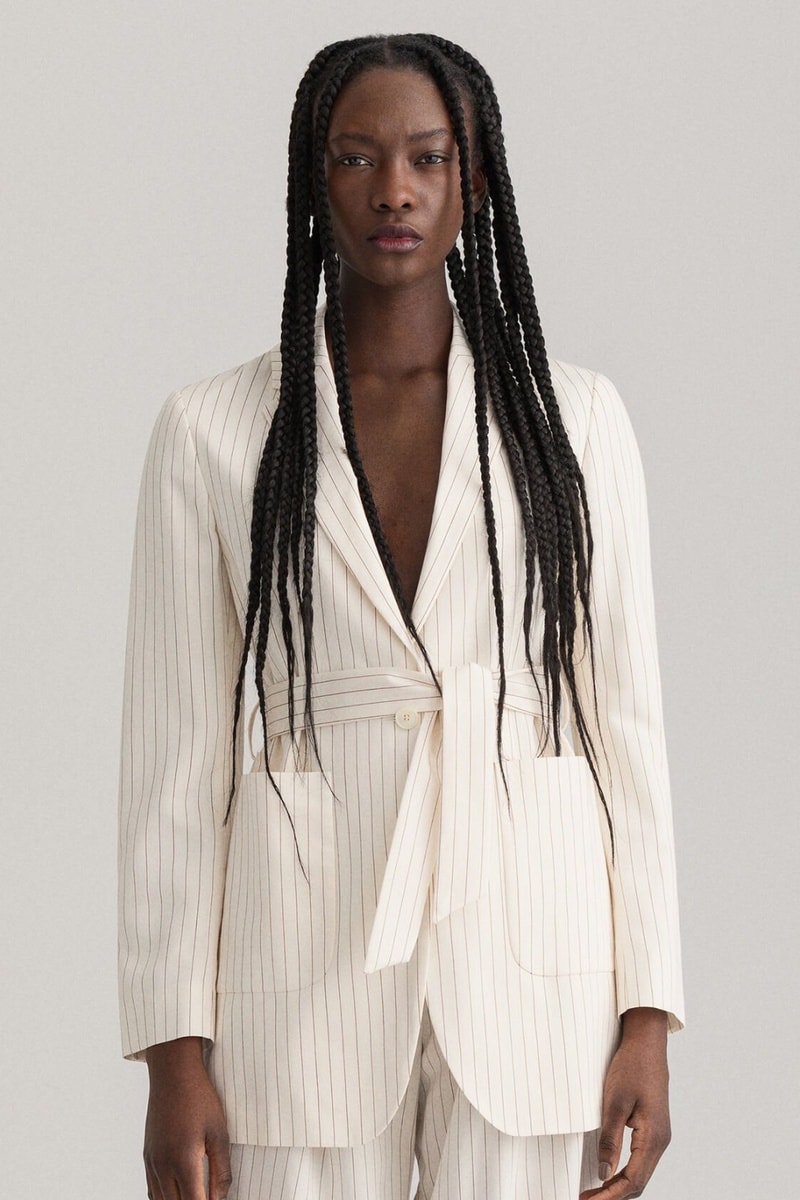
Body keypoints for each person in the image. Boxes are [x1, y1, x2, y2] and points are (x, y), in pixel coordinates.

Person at [118, 33, 684, 1200]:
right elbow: (174, 766)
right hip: (300, 974)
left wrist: (647, 1014)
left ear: (472, 180)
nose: (393, 190)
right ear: (311, 177)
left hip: (535, 975)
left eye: (427, 158)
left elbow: (623, 730)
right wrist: (173, 1054)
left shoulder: (573, 423)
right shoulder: (212, 432)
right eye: (356, 157)